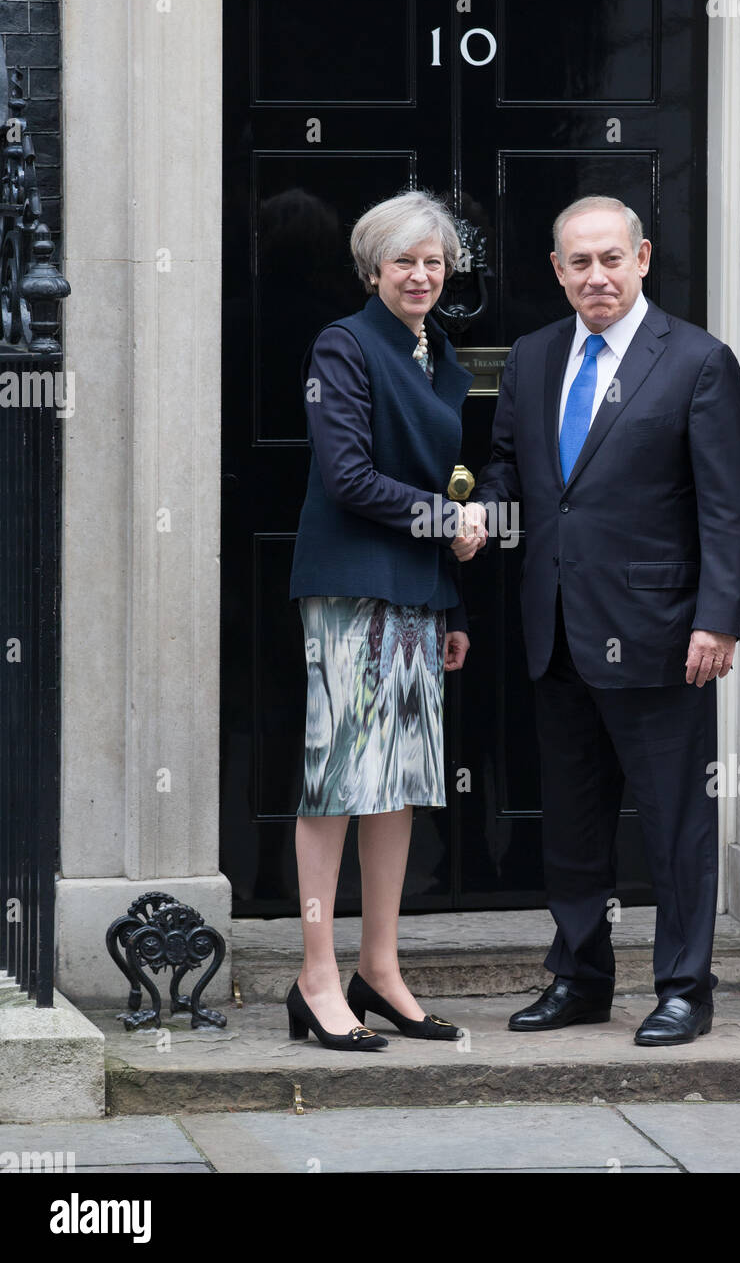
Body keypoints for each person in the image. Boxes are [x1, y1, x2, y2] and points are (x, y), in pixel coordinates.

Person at [458, 195, 740, 1046]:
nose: (596, 277)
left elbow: (728, 507)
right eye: (578, 263)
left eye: (610, 260)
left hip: (664, 633)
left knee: (673, 823)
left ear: (643, 258)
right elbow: (512, 466)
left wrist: (717, 619)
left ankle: (683, 990)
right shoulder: (532, 356)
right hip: (556, 627)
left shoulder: (698, 361)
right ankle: (581, 978)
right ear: (556, 271)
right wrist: (485, 512)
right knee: (574, 823)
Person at [287, 189, 480, 1051]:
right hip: (348, 589)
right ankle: (315, 975)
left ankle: (380, 968)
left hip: (413, 592)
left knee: (399, 785)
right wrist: (449, 525)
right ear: (372, 269)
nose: (420, 274)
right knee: (336, 784)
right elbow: (349, 478)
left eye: (433, 260)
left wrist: (451, 600)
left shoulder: (441, 355)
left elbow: (445, 489)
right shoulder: (343, 344)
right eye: (403, 260)